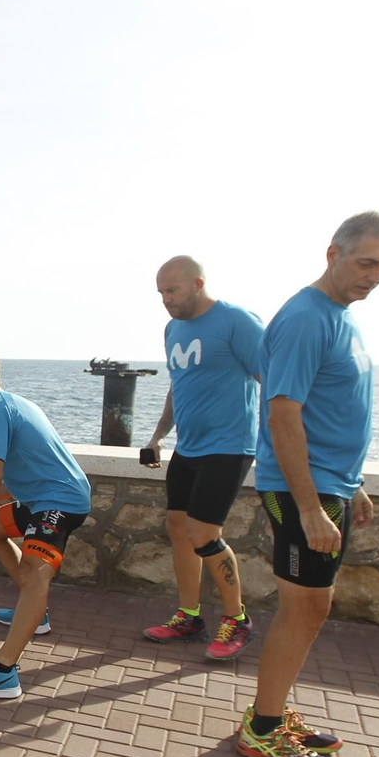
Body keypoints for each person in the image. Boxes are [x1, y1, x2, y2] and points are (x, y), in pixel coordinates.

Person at [236, 212, 379, 757]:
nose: (376, 275)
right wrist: (310, 505)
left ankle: (273, 713)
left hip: (330, 483)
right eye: (367, 262)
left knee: (312, 606)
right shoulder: (308, 318)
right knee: (305, 606)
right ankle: (262, 731)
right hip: (300, 488)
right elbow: (282, 414)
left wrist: (351, 483)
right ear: (333, 253)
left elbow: (334, 411)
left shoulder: (340, 316)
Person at [0, 343, 91, 700]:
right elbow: (26, 473)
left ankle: (3, 673)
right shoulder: (15, 403)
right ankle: (34, 615)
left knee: (33, 573)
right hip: (39, 496)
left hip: (60, 502)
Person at [139, 256, 265, 659]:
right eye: (160, 293)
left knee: (204, 534)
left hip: (229, 446)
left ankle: (237, 619)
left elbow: (274, 378)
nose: (165, 300)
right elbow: (180, 387)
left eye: (171, 291)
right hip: (189, 447)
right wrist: (159, 436)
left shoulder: (236, 321)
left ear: (197, 283)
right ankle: (190, 617)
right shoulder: (172, 329)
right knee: (178, 526)